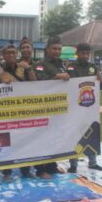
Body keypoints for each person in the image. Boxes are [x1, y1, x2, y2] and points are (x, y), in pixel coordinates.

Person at [0, 43, 37, 181]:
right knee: (7, 141)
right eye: (8, 53)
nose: (11, 55)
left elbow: (34, 83)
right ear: (3, 55)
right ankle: (7, 172)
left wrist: (30, 69)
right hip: (6, 111)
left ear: (17, 54)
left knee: (25, 141)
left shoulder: (23, 68)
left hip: (23, 110)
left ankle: (25, 171)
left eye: (13, 52)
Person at [34, 36, 70, 179]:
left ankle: (52, 166)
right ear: (47, 49)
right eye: (54, 48)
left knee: (55, 137)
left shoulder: (61, 63)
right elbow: (40, 81)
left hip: (58, 107)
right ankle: (40, 169)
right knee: (42, 139)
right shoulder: (40, 64)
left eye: (59, 49)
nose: (57, 51)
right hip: (43, 107)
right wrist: (57, 76)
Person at [66, 43, 102, 172]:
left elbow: (100, 87)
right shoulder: (71, 67)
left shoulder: (93, 67)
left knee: (92, 133)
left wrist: (100, 81)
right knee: (74, 135)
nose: (85, 55)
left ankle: (93, 162)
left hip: (89, 107)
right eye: (83, 53)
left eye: (87, 53)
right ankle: (73, 164)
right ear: (78, 53)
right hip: (74, 107)